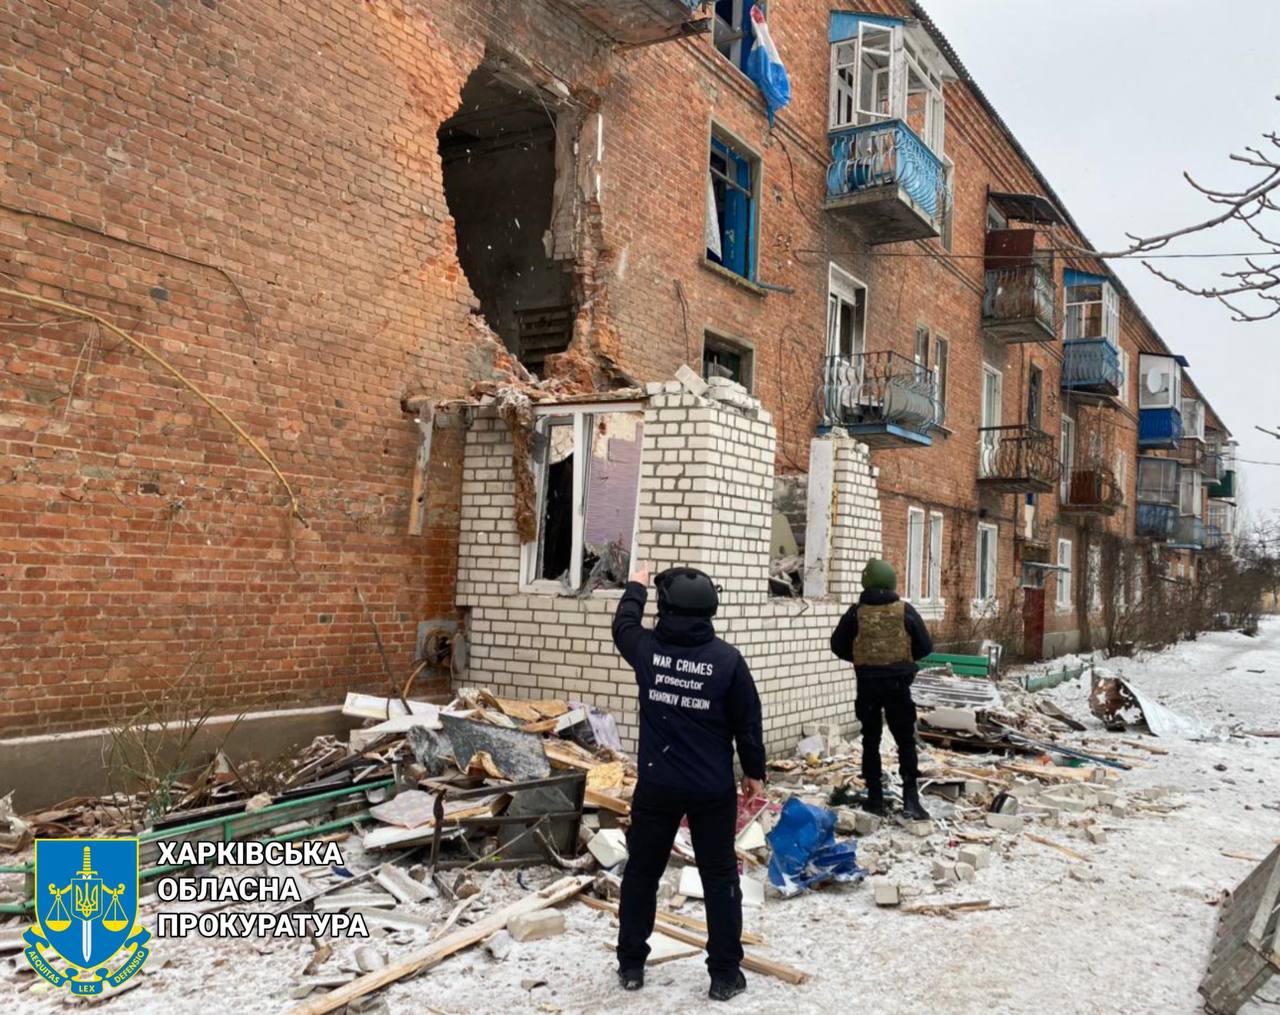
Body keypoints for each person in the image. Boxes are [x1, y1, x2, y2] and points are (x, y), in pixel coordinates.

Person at [611, 562, 765, 1002]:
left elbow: (623, 624)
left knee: (642, 873)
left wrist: (635, 586)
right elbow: (747, 723)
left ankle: (632, 966)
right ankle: (723, 975)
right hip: (710, 788)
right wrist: (753, 772)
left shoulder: (646, 651)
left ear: (666, 606)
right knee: (719, 878)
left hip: (658, 785)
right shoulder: (728, 661)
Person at [829, 558, 934, 820]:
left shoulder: (856, 612)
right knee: (905, 741)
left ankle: (874, 799)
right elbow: (925, 646)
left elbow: (837, 645)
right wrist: (903, 661)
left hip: (868, 685)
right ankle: (911, 799)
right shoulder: (905, 611)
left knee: (870, 740)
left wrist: (861, 658)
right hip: (899, 685)